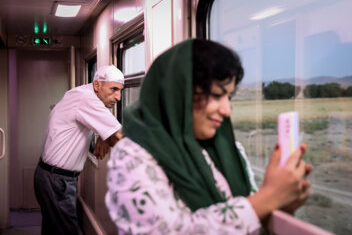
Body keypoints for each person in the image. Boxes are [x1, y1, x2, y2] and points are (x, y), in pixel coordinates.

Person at [105, 39, 312, 234]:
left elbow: (249, 221)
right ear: (178, 94)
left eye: (228, 97)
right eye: (216, 95)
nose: (226, 110)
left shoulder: (222, 150)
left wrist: (282, 204)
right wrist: (269, 196)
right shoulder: (132, 155)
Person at [34, 65, 124, 235]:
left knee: (54, 229)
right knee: (67, 230)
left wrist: (103, 136)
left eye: (120, 91)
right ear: (97, 85)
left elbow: (110, 132)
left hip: (53, 177)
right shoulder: (86, 99)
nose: (118, 97)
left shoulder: (82, 93)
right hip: (57, 180)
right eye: (113, 89)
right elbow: (120, 136)